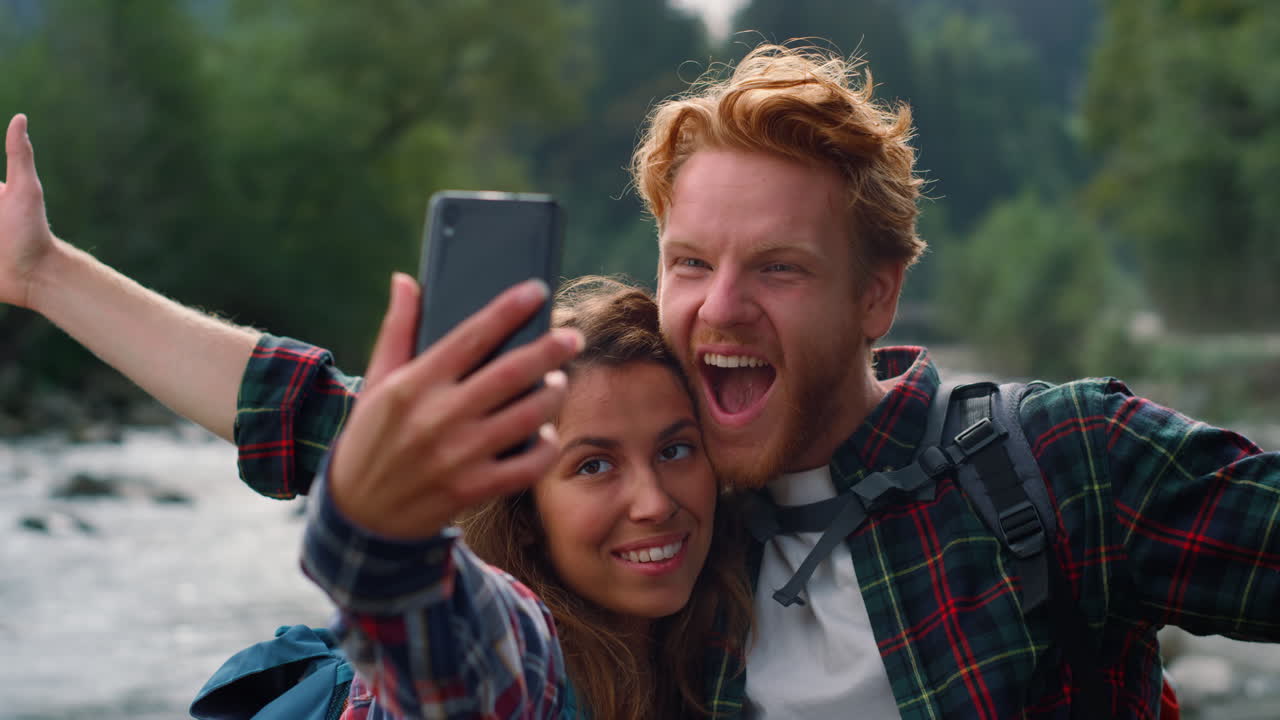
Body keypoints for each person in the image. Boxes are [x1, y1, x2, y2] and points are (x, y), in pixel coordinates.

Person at [3, 41, 1279, 719]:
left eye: (777, 268)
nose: (718, 307)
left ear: (874, 296)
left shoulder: (1062, 471)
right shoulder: (632, 500)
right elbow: (317, 419)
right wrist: (51, 274)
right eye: (689, 262)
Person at [302, 274, 750, 719]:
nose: (654, 503)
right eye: (593, 465)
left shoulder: (743, 609)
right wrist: (376, 532)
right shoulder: (525, 663)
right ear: (524, 517)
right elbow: (446, 651)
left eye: (675, 450)